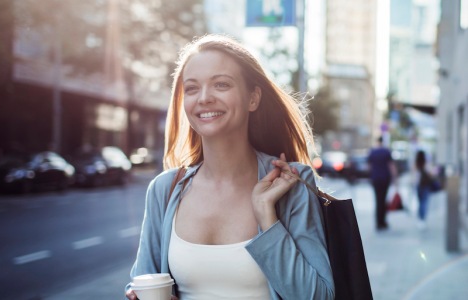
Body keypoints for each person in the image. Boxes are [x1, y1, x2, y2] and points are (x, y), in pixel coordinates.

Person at [125, 34, 334, 300]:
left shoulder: (289, 182)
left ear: (253, 99)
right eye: (191, 88)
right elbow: (142, 283)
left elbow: (319, 296)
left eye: (221, 84)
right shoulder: (164, 190)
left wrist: (267, 219)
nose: (204, 98)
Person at [367, 136, 396, 230]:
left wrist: (371, 175)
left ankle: (378, 223)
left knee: (378, 200)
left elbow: (369, 166)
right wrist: (395, 177)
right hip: (385, 179)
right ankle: (383, 222)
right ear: (383, 142)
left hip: (376, 179)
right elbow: (391, 165)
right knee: (383, 200)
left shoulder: (372, 152)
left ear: (377, 141)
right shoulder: (386, 151)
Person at [415, 150, 437, 230]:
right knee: (424, 202)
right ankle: (422, 219)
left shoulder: (416, 164)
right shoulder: (426, 164)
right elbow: (431, 173)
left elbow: (413, 176)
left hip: (418, 185)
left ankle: (420, 218)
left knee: (420, 202)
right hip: (425, 185)